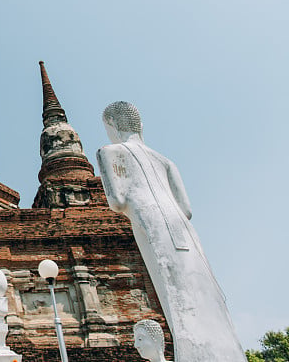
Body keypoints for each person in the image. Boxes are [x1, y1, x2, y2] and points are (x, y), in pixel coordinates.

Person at [97, 101, 245, 362]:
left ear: (111, 125)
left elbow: (117, 201)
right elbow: (186, 209)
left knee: (172, 290)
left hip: (148, 218)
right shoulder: (165, 160)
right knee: (201, 286)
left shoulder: (110, 151)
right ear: (139, 125)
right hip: (181, 224)